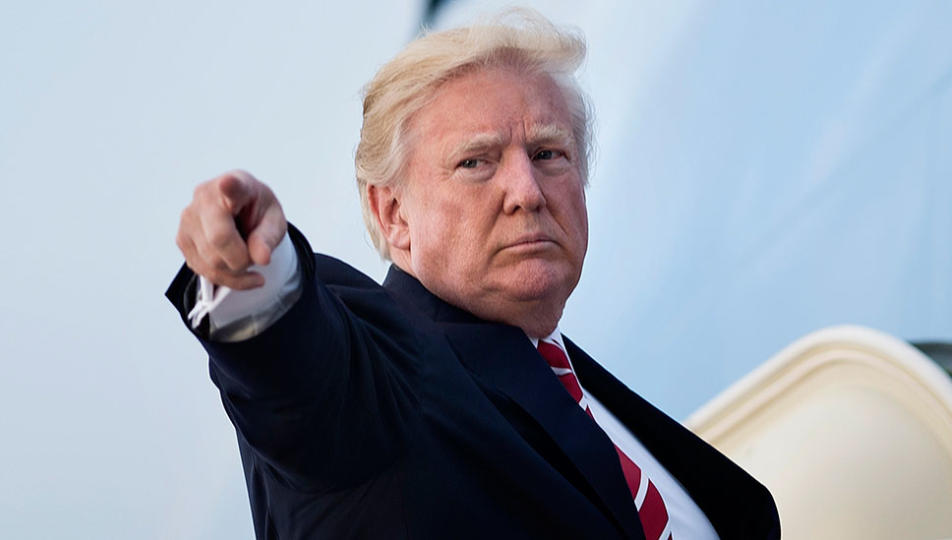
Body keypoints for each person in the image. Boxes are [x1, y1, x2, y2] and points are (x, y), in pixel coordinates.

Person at [167, 12, 779, 540]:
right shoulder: (386, 380)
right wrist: (256, 272)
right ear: (394, 213)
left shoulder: (573, 382)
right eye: (475, 162)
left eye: (548, 154)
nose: (527, 191)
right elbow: (303, 373)